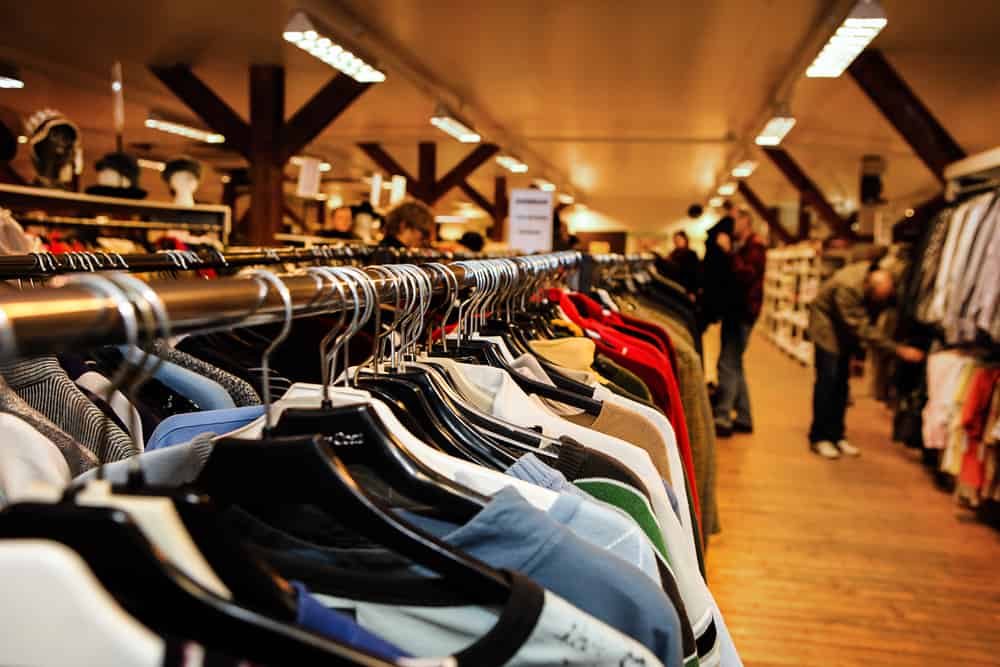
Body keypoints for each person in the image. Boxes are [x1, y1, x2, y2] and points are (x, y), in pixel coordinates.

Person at [806, 262, 925, 459]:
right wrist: (897, 349)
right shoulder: (847, 287)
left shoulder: (874, 278)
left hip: (843, 332)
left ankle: (836, 435)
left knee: (842, 384)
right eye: (879, 297)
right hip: (826, 329)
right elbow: (860, 327)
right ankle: (819, 437)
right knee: (828, 382)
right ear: (870, 287)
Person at [713, 206, 766, 437]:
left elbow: (746, 275)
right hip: (738, 311)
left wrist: (728, 253)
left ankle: (723, 416)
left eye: (735, 220)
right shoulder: (746, 245)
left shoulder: (755, 246)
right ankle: (744, 417)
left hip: (742, 312)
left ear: (746, 221)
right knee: (735, 363)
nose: (731, 225)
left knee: (727, 363)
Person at [668, 230, 700, 296]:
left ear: (685, 240)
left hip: (688, 288)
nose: (677, 242)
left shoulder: (691, 254)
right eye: (675, 240)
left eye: (679, 239)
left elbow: (695, 274)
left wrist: (692, 291)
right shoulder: (672, 255)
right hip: (676, 287)